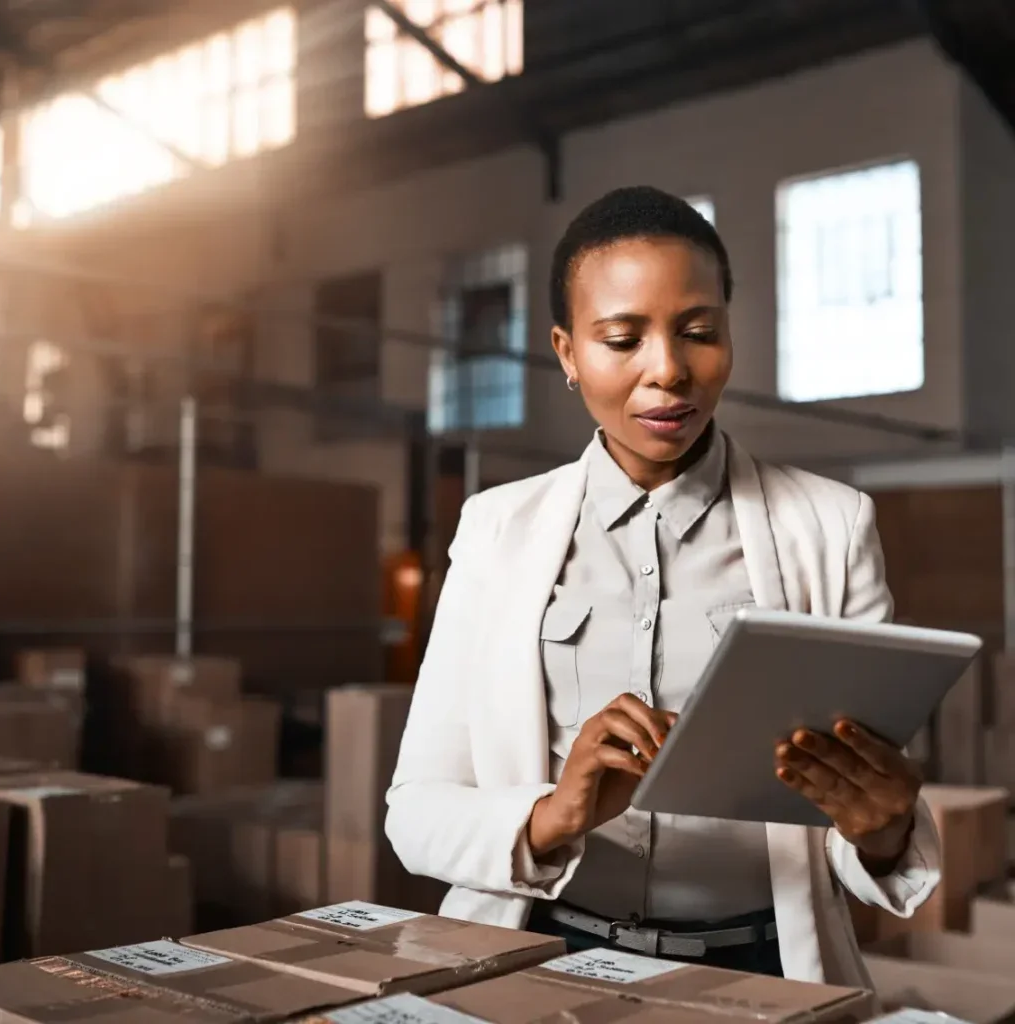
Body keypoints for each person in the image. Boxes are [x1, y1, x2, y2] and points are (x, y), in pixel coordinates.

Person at [385, 186, 940, 987]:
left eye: (699, 333)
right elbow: (416, 812)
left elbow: (863, 830)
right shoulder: (496, 528)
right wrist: (554, 816)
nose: (669, 370)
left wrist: (883, 829)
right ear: (568, 353)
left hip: (759, 969)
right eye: (621, 338)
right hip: (538, 958)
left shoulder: (831, 525)